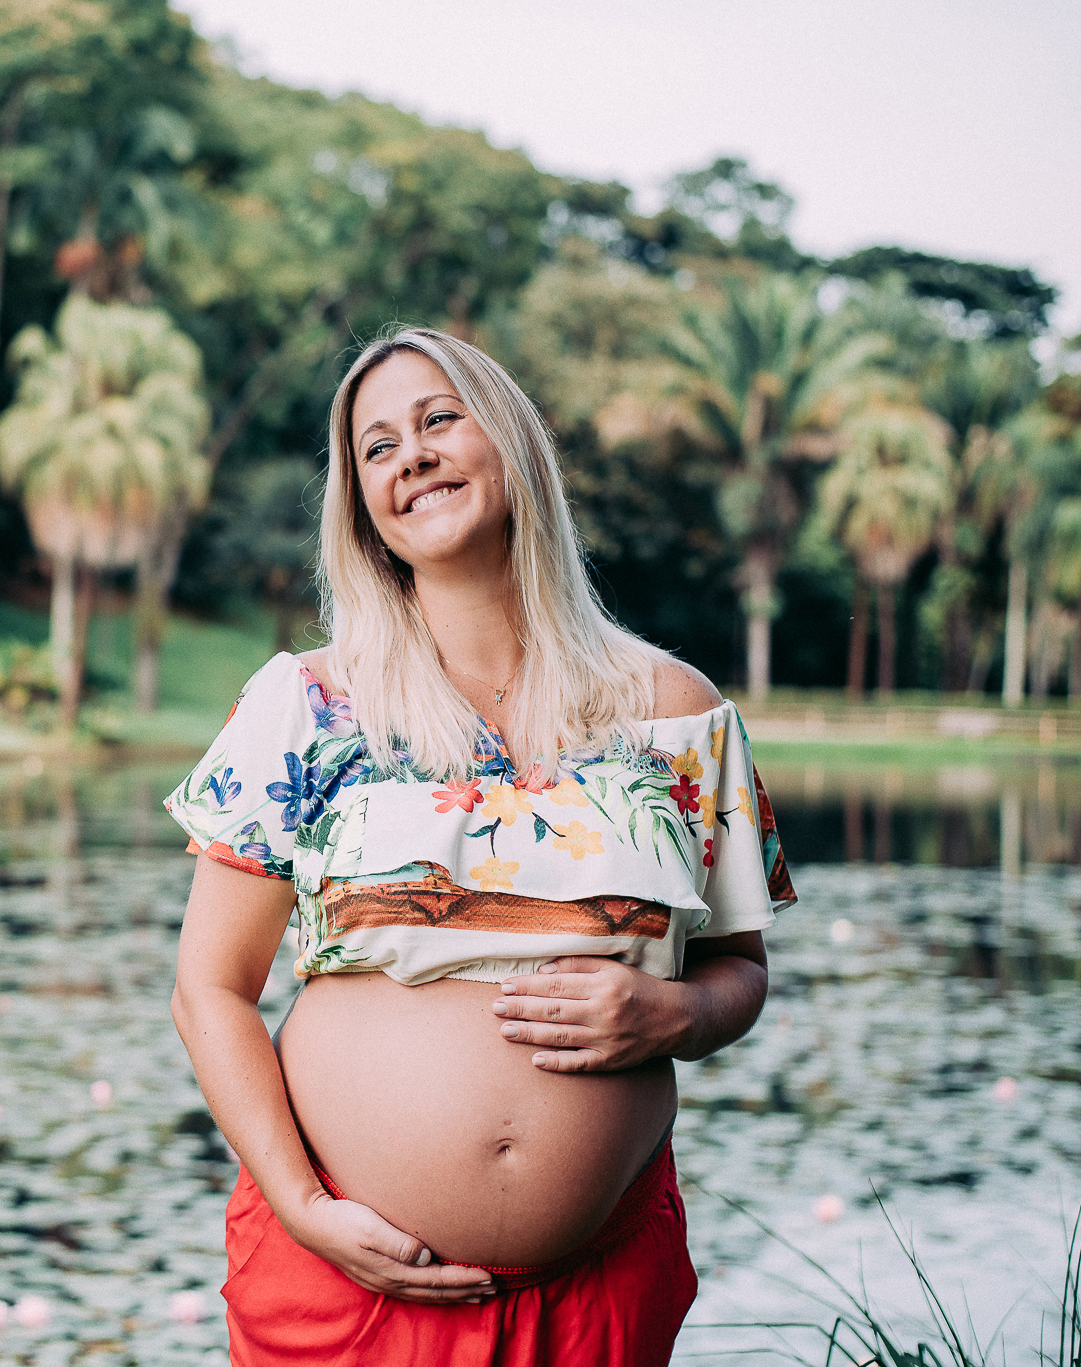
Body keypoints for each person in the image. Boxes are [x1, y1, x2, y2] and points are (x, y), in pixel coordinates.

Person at [165, 327, 796, 1365]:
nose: (410, 455)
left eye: (438, 419)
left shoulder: (674, 711)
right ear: (362, 507)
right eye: (376, 447)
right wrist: (303, 1206)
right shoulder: (306, 704)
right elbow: (209, 991)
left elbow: (741, 970)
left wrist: (675, 1013)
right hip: (348, 1289)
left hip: (597, 1293)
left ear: (511, 442)